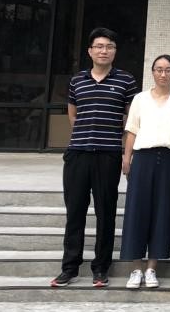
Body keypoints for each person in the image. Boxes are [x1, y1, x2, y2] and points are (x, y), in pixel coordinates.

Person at [51, 27, 139, 288]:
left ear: (115, 51)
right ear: (90, 51)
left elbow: (131, 120)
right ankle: (69, 268)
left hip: (108, 155)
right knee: (75, 212)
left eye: (109, 46)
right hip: (78, 154)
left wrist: (125, 154)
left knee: (106, 212)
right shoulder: (77, 80)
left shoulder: (126, 81)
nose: (104, 51)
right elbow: (73, 115)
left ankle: (101, 268)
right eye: (99, 46)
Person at [120, 53, 170, 289]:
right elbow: (132, 130)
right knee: (136, 211)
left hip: (167, 159)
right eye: (158, 69)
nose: (163, 74)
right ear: (152, 72)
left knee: (162, 212)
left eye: (168, 70)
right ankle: (135, 269)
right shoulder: (140, 99)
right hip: (142, 158)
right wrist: (127, 158)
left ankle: (151, 269)